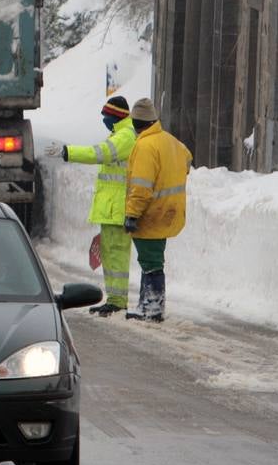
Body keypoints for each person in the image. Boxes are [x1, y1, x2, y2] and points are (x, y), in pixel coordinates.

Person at [45, 96, 136, 316]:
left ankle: (117, 301)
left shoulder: (124, 137)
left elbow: (98, 153)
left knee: (116, 255)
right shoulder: (119, 134)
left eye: (107, 115)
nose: (104, 119)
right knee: (110, 253)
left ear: (116, 116)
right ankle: (114, 299)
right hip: (111, 209)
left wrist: (68, 151)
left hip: (117, 209)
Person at [123, 98, 192, 322]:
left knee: (151, 263)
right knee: (151, 260)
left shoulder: (145, 146)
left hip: (151, 214)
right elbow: (187, 159)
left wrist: (132, 213)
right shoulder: (170, 141)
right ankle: (146, 305)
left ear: (136, 122)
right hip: (170, 212)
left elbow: (142, 187)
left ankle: (153, 309)